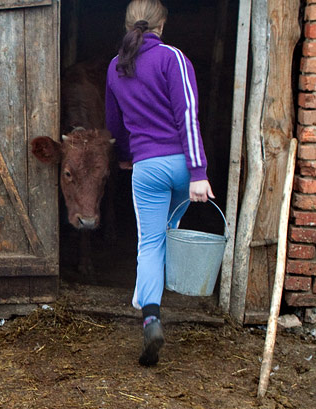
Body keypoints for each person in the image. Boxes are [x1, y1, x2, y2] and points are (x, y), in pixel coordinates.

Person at [105, 0, 215, 366]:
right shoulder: (173, 58)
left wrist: (126, 155)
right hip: (182, 164)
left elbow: (115, 122)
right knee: (168, 232)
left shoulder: (115, 66)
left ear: (127, 25)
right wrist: (198, 172)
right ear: (162, 26)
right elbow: (188, 115)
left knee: (149, 243)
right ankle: (155, 296)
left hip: (146, 168)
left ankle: (150, 315)